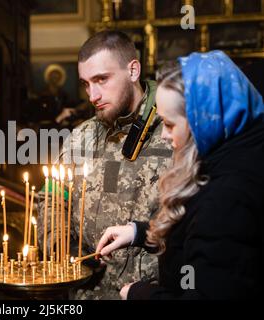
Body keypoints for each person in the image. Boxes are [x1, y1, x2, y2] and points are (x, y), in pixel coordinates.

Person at [96, 50, 264, 299]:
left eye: (170, 124)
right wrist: (139, 232)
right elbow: (203, 236)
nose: (164, 134)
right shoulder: (234, 153)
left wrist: (139, 294)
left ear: (202, 121)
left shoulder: (228, 197)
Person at [37, 30, 172, 299]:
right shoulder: (80, 137)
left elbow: (196, 217)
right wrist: (62, 244)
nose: (92, 95)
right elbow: (51, 198)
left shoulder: (173, 130)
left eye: (101, 79)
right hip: (84, 294)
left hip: (145, 293)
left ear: (133, 70)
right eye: (86, 83)